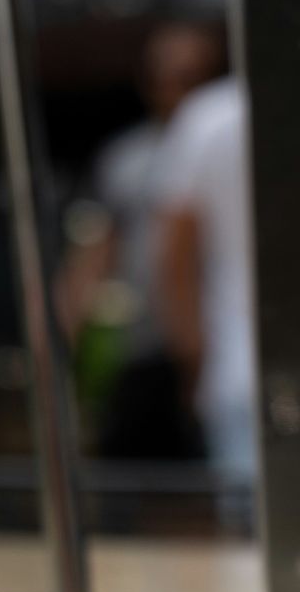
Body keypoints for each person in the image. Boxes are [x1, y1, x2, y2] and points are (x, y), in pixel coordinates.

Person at [59, 24, 224, 459]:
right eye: (162, 77)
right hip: (143, 345)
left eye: (191, 78)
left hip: (218, 341)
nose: (174, 90)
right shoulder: (125, 158)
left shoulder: (231, 148)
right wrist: (63, 335)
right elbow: (95, 250)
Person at [155, 76, 255, 480]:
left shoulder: (209, 117)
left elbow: (174, 255)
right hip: (242, 368)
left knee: (254, 514)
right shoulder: (208, 116)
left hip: (241, 368)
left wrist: (191, 356)